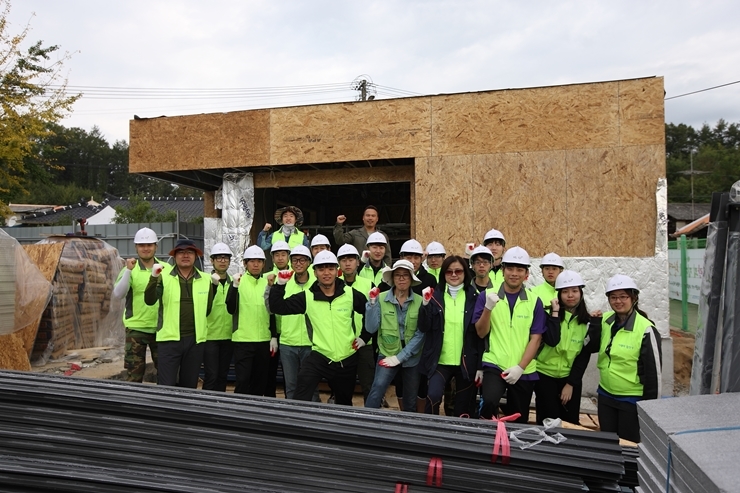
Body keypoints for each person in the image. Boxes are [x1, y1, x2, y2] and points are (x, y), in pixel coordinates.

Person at [268, 250, 369, 405]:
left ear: (337, 271)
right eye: (321, 269)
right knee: (301, 395)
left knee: (344, 403)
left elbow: (370, 312)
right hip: (320, 356)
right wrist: (279, 285)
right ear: (314, 272)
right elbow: (278, 307)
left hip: (346, 359)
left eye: (330, 268)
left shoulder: (350, 294)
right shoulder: (307, 297)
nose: (326, 273)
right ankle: (299, 419)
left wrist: (364, 337)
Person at [582, 274, 662, 443]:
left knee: (628, 445)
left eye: (623, 297)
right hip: (606, 395)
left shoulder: (645, 329)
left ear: (633, 298)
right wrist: (594, 324)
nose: (618, 301)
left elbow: (654, 373)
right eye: (613, 297)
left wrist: (650, 407)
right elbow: (591, 347)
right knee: (608, 442)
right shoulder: (605, 320)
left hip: (631, 399)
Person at [474, 247, 547, 423]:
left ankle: (511, 441)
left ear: (526, 274)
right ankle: (486, 436)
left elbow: (536, 338)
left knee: (518, 416)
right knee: (489, 403)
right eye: (510, 268)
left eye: (520, 269)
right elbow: (481, 332)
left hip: (524, 369)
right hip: (495, 363)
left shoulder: (534, 301)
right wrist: (488, 309)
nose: (514, 273)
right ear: (503, 270)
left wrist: (520, 367)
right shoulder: (486, 296)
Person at [144, 239, 216, 388]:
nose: (185, 255)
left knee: (189, 386)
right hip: (169, 340)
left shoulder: (206, 279)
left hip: (195, 341)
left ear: (195, 256)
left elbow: (207, 309)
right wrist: (153, 278)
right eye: (181, 252)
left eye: (190, 252)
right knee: (166, 385)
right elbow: (149, 301)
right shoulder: (164, 276)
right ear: (175, 256)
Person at [418, 256, 481, 416]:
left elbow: (480, 335)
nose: (454, 275)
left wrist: (480, 366)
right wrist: (425, 305)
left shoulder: (474, 297)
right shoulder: (434, 296)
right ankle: (430, 428)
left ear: (465, 273)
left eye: (458, 271)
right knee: (433, 396)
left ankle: (459, 431)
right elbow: (423, 327)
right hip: (440, 361)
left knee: (462, 407)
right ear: (443, 274)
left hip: (465, 362)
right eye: (449, 271)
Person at [534, 270, 596, 425]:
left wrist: (570, 384)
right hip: (544, 376)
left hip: (570, 378)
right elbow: (552, 340)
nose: (570, 295)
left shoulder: (586, 322)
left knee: (570, 423)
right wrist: (555, 313)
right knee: (547, 422)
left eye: (574, 291)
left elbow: (584, 356)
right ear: (559, 294)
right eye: (565, 291)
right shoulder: (548, 315)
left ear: (581, 293)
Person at [365, 260, 424, 412]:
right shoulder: (380, 298)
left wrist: (400, 357)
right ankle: (366, 420)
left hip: (412, 356)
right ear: (392, 278)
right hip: (387, 351)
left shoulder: (420, 301)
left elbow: (421, 333)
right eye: (397, 275)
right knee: (377, 389)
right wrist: (371, 304)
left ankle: (408, 425)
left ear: (411, 278)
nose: (401, 278)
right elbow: (371, 328)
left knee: (410, 398)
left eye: (405, 275)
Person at [113, 227, 170, 383]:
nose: (146, 248)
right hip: (136, 329)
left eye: (149, 245)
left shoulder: (166, 269)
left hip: (161, 329)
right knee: (134, 375)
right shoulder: (130, 269)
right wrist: (128, 271)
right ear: (136, 247)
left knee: (166, 374)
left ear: (156, 247)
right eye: (141, 245)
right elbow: (118, 294)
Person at [225, 245, 277, 396]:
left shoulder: (267, 283)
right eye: (252, 261)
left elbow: (271, 311)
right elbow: (230, 308)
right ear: (245, 263)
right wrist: (234, 287)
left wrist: (273, 336)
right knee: (243, 381)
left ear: (264, 264)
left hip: (263, 340)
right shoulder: (238, 281)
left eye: (259, 261)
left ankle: (256, 409)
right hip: (243, 340)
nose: (256, 265)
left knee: (260, 382)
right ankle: (240, 409)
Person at [271, 245, 318, 400]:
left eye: (302, 260)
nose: (298, 263)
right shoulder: (283, 282)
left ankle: (313, 413)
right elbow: (273, 308)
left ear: (309, 262)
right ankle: (292, 414)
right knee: (291, 386)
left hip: (312, 343)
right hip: (288, 343)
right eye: (295, 260)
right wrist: (274, 335)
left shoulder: (317, 283)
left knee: (311, 386)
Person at [337, 244, 376, 404]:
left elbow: (375, 315)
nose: (347, 263)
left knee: (369, 386)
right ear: (339, 263)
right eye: (343, 260)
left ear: (358, 262)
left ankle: (371, 417)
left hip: (365, 345)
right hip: (342, 345)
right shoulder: (333, 285)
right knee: (343, 388)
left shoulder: (368, 285)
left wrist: (365, 337)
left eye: (351, 260)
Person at [202, 242, 235, 392]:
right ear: (212, 261)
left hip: (228, 336)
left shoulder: (234, 283)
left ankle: (220, 403)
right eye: (219, 258)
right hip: (210, 336)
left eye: (225, 258)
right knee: (211, 375)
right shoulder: (204, 282)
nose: (222, 261)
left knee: (223, 375)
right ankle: (207, 403)